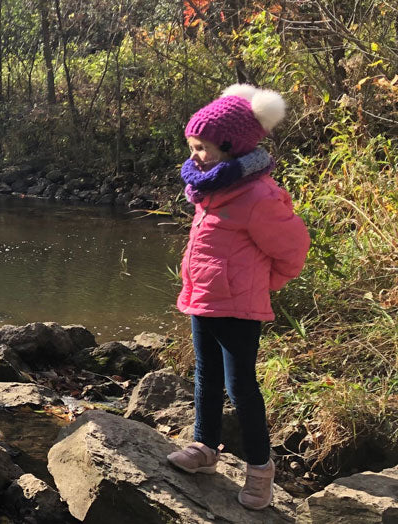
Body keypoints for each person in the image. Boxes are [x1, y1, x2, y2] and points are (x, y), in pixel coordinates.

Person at [166, 84, 310, 510]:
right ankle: (205, 447)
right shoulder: (209, 187)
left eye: (203, 148)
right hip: (203, 297)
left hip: (238, 306)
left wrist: (268, 283)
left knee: (240, 387)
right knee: (206, 377)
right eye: (192, 146)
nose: (195, 156)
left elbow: (292, 247)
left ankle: (261, 470)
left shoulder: (258, 195)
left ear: (232, 148)